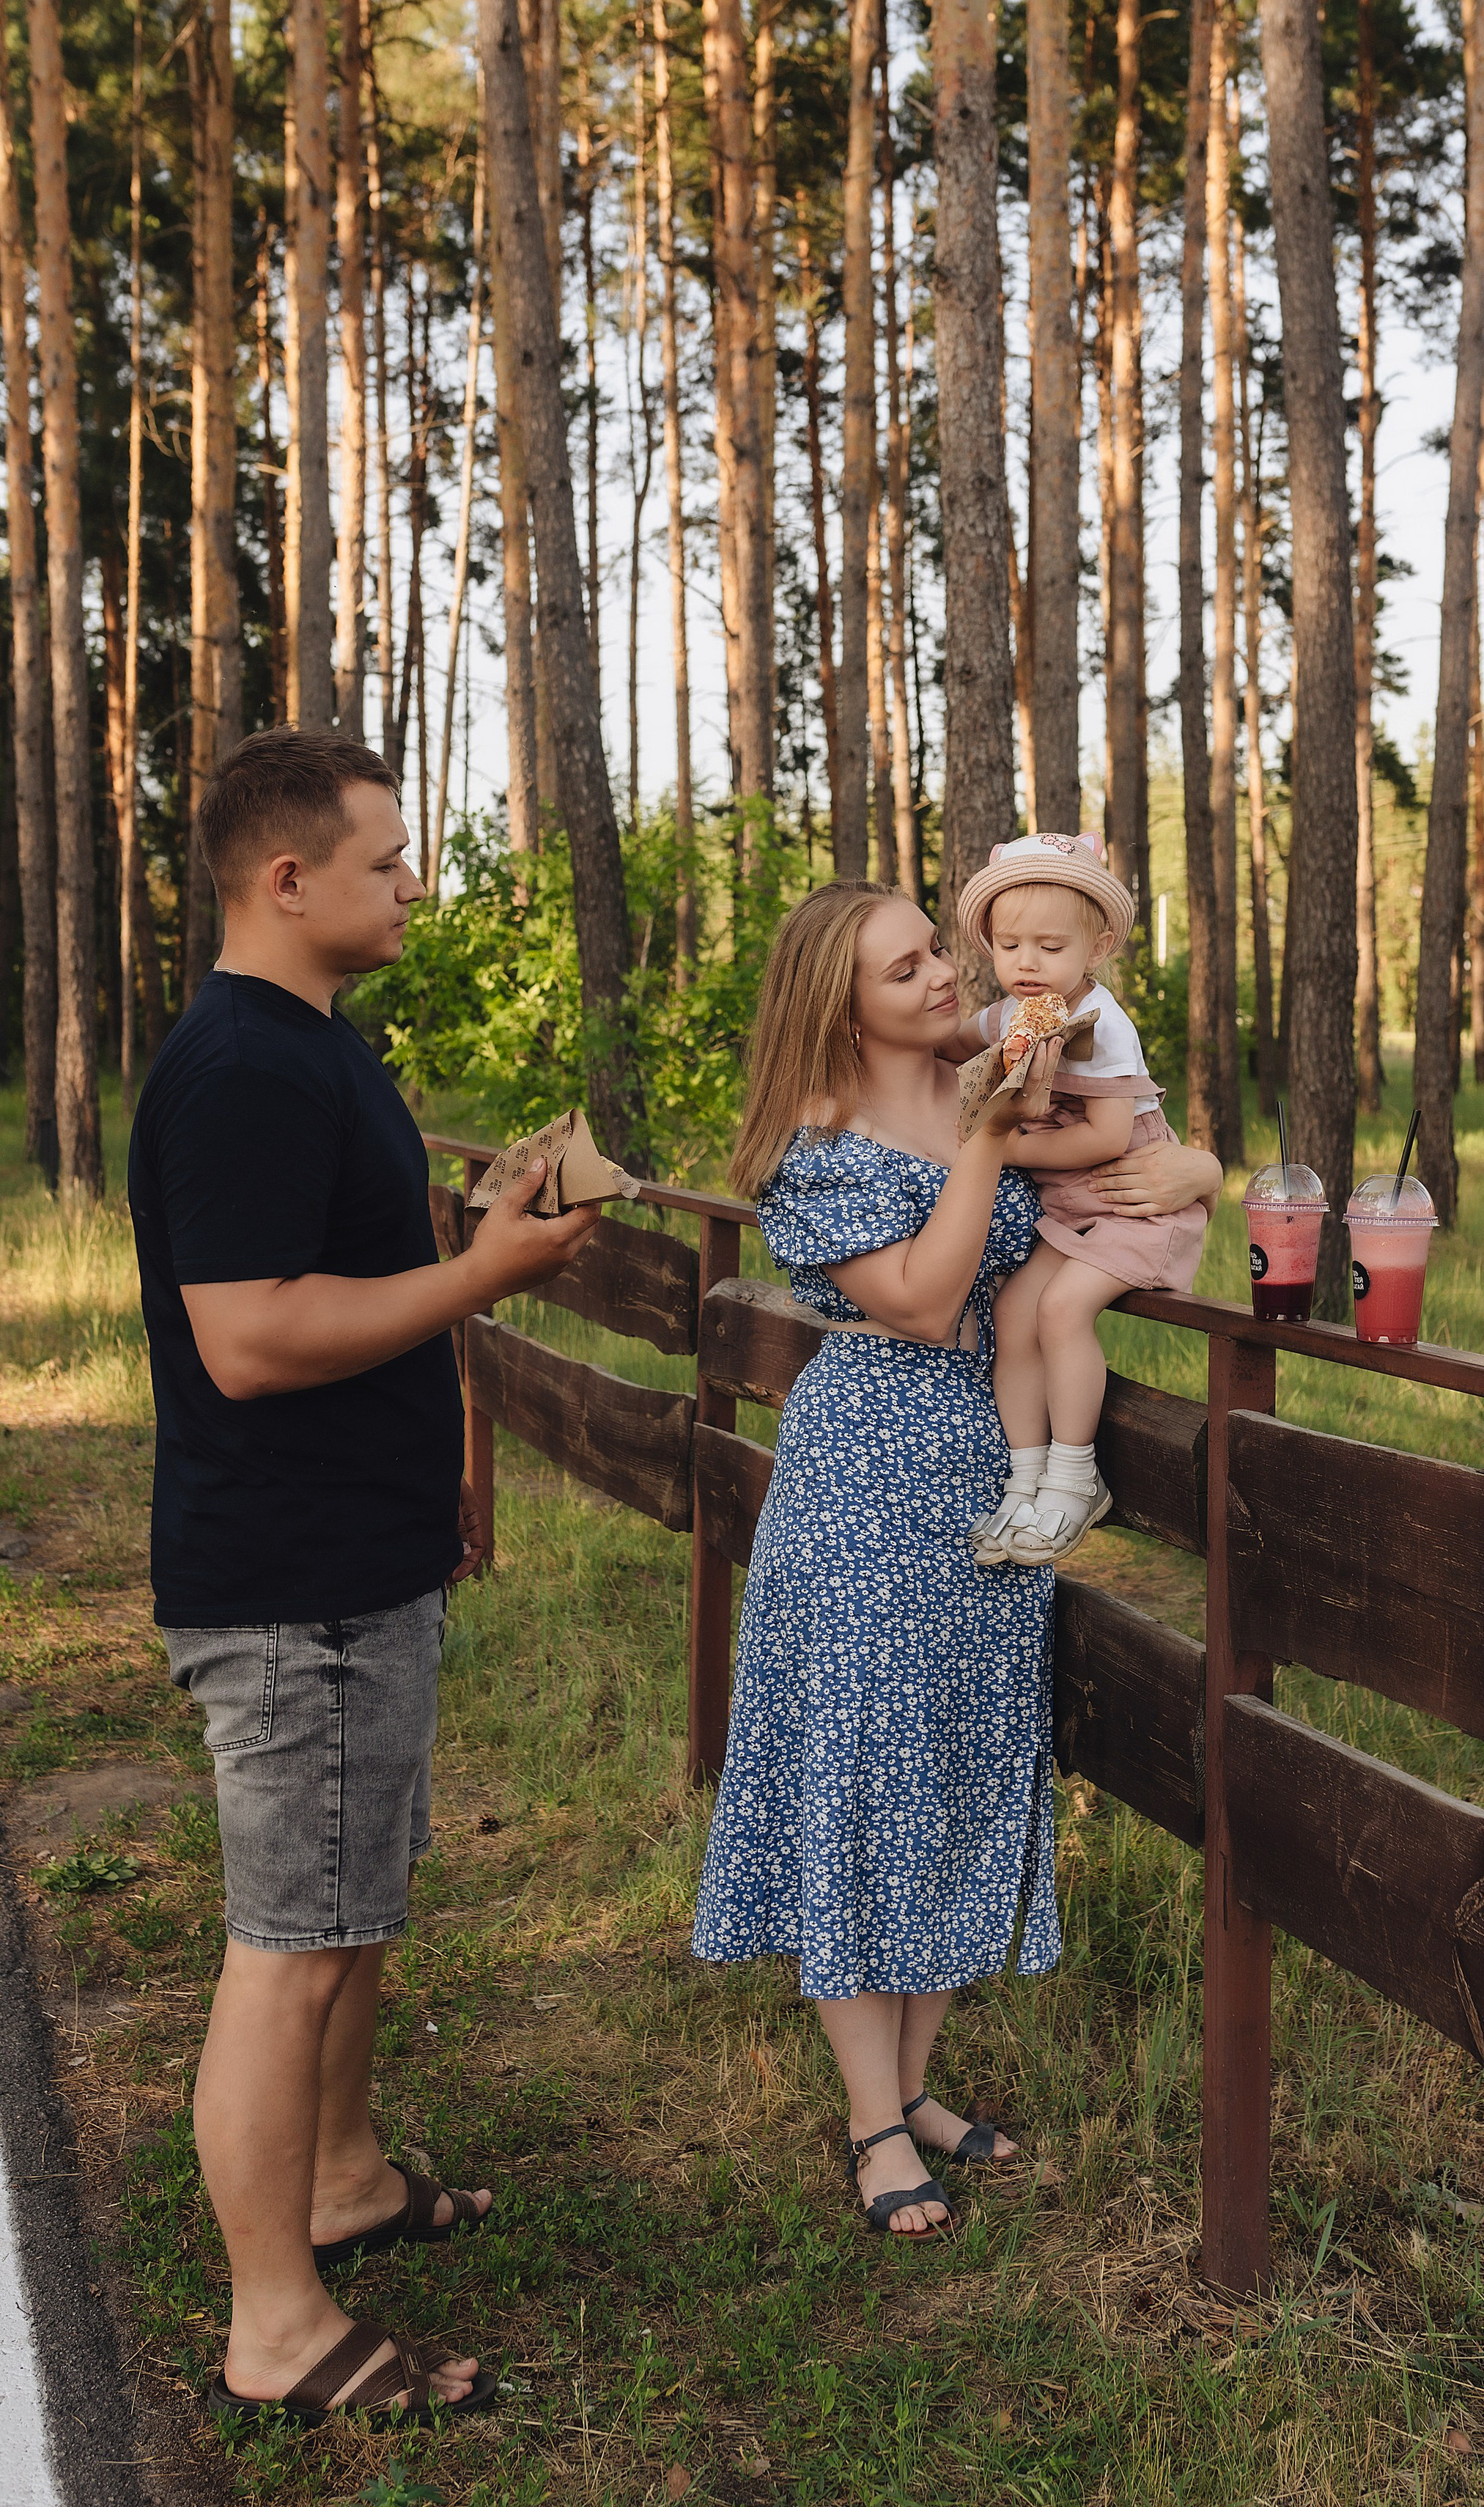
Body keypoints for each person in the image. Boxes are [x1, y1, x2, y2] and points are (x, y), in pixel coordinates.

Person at [128, 726, 602, 2427]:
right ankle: (275, 2324)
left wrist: (469, 1220)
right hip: (290, 1581)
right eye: (389, 859)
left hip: (355, 1561)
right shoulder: (246, 1066)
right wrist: (484, 1273)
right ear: (288, 878)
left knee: (351, 1914)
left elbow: (334, 1265)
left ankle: (338, 2181)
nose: (414, 882)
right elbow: (251, 1339)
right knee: (293, 1944)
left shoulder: (319, 1045)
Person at [690, 882, 1220, 2239]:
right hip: (868, 1475)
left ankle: (917, 2086)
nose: (944, 974)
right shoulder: (813, 1147)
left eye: (937, 946)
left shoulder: (999, 1064)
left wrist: (1202, 1170)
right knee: (867, 1776)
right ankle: (874, 2122)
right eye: (905, 967)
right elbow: (925, 1303)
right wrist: (987, 1132)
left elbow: (1137, 1146)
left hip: (994, 1468)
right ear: (839, 1003)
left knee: (959, 1761)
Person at [945, 831, 1211, 1569]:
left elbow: (1102, 1138)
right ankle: (1024, 1479)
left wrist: (999, 1144)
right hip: (1066, 1214)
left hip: (1132, 1204)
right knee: (1012, 1312)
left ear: (1095, 948)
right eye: (1009, 945)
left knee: (1062, 1311)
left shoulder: (1104, 1028)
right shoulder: (1013, 1012)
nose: (1026, 964)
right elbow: (950, 1042)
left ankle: (1073, 1477)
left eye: (1049, 947)